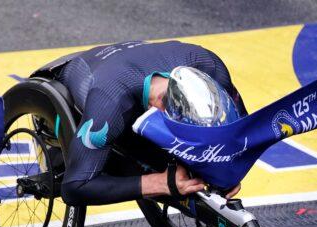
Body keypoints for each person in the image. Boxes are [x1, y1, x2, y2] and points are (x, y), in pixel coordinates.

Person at [41, 40, 247, 205]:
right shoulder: (110, 103)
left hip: (131, 56)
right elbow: (75, 188)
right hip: (84, 72)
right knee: (104, 153)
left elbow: (241, 127)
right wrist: (161, 183)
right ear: (161, 109)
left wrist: (230, 168)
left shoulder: (209, 65)